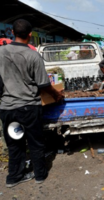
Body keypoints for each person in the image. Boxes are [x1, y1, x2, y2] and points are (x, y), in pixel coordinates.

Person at [0, 19, 63, 188]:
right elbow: (43, 84)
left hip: (7, 108)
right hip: (29, 106)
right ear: (30, 35)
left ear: (12, 33)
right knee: (35, 141)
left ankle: (14, 177)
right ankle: (40, 174)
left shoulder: (0, 52)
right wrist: (57, 95)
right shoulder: (33, 55)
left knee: (14, 143)